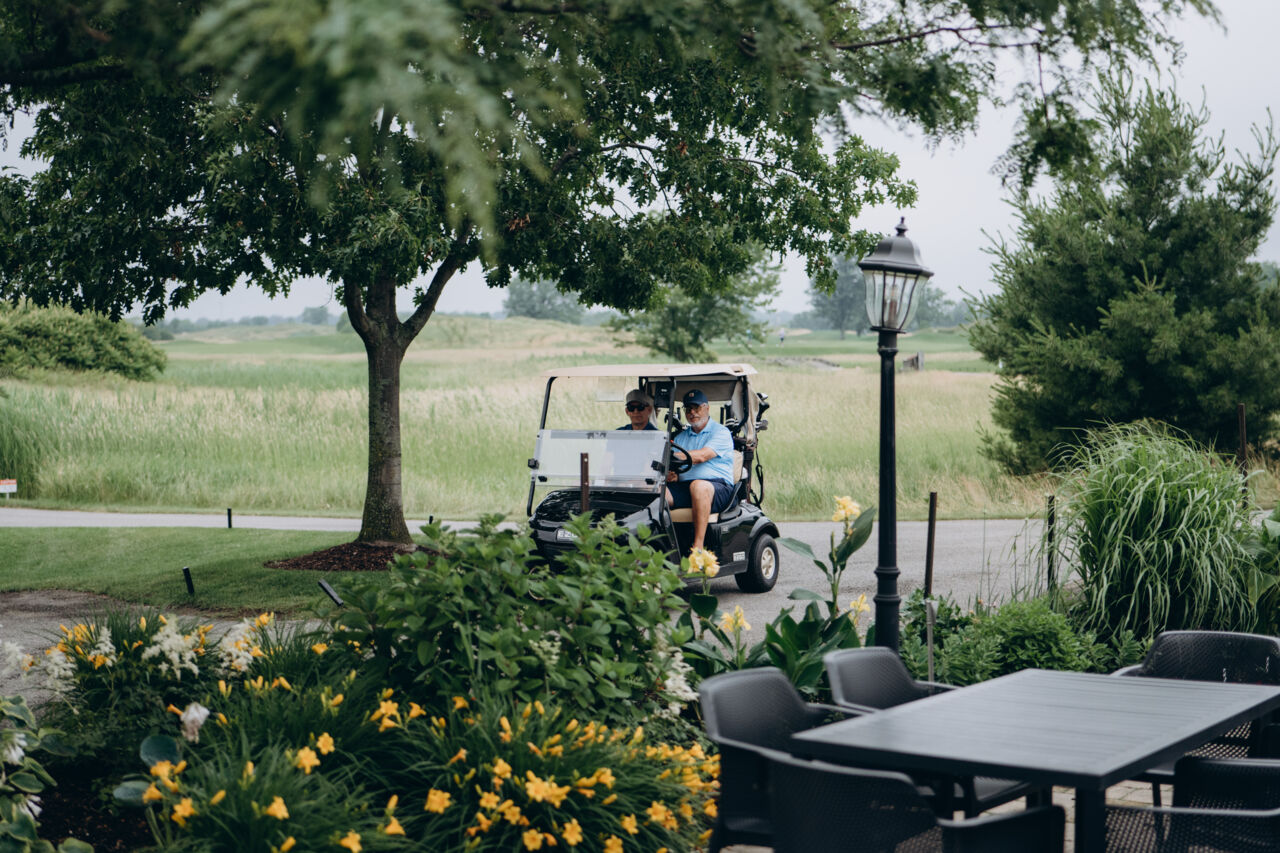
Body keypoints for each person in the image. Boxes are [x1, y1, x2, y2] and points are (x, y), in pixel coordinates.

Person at [667, 388, 734, 551]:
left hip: (718, 488)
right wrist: (673, 475)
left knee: (698, 486)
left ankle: (698, 547)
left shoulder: (721, 432)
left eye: (696, 408)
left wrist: (669, 456)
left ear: (707, 408)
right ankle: (661, 545)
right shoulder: (680, 437)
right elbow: (676, 467)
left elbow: (702, 456)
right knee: (658, 492)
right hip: (686, 487)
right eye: (688, 409)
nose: (692, 413)